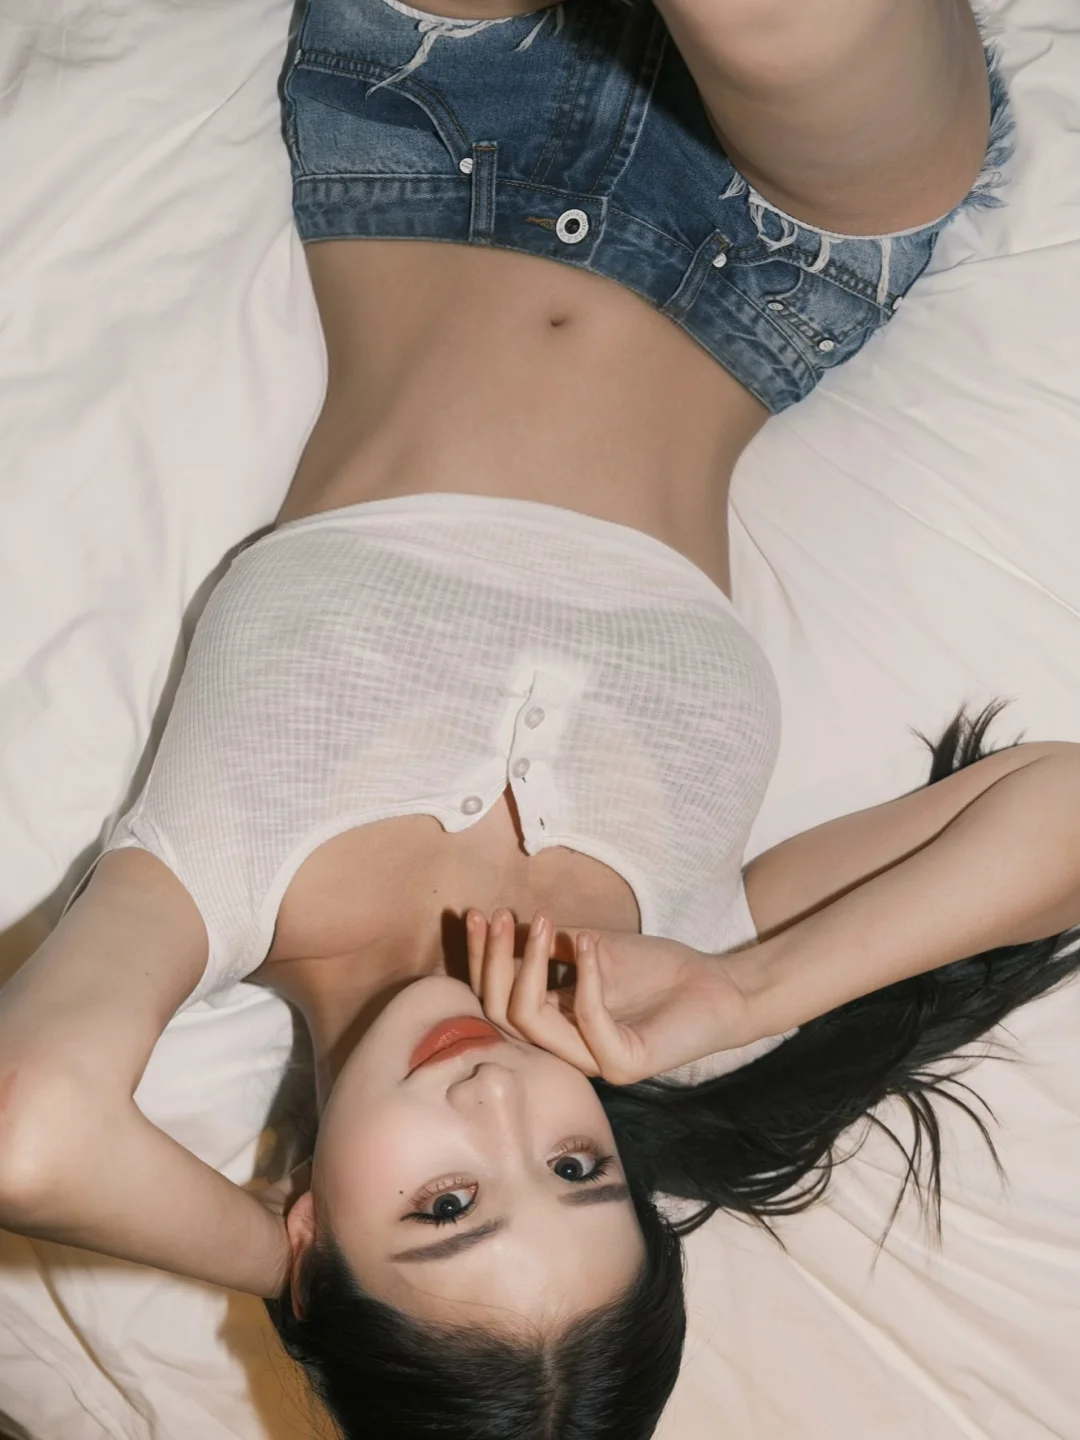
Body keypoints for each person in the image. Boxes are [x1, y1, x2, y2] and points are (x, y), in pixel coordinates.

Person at [3, 2, 1072, 1438]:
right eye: (577, 1174)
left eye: (444, 1207)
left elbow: (29, 1133)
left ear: (319, 1232)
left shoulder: (207, 892)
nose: (500, 1111)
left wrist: (278, 1260)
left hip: (435, 131)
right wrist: (751, 993)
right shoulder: (680, 964)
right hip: (777, 253)